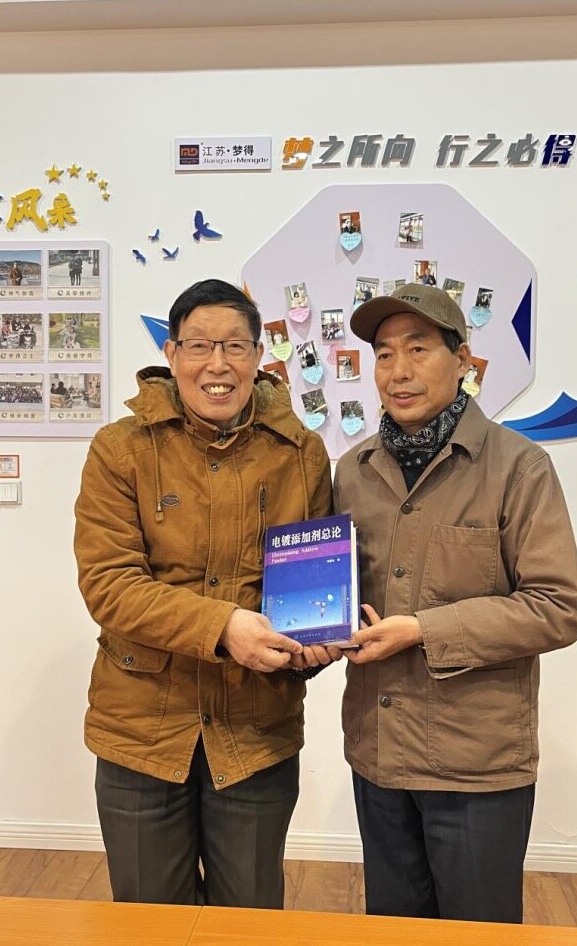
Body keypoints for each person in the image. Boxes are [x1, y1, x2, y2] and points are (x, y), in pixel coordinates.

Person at [74, 279, 335, 909]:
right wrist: (224, 628)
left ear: (259, 356)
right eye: (199, 346)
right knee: (149, 922)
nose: (217, 365)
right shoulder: (121, 450)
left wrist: (314, 643)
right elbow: (109, 585)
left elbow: (311, 584)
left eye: (235, 346)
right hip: (141, 730)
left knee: (248, 919)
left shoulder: (301, 454)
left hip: (256, 732)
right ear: (171, 354)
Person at [333, 283, 577, 925]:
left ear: (463, 360)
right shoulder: (353, 470)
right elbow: (341, 593)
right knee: (394, 929)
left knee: (479, 932)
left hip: (476, 764)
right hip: (378, 754)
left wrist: (423, 629)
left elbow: (556, 607)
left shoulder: (518, 467)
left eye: (418, 348)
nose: (399, 370)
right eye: (384, 354)